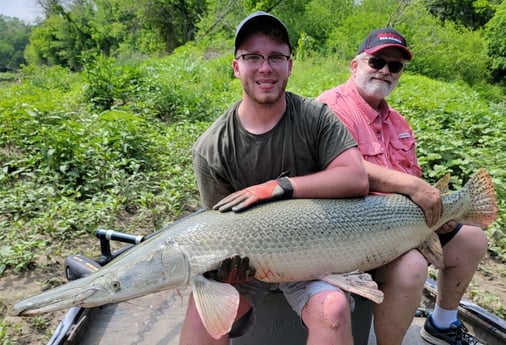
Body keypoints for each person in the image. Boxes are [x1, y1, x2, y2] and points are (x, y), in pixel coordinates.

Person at [179, 11, 369, 345]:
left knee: (333, 309)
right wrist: (223, 269)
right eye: (253, 57)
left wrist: (281, 187)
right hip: (250, 267)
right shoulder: (212, 147)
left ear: (290, 65)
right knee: (201, 319)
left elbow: (355, 178)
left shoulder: (315, 117)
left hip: (313, 253)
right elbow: (216, 229)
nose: (265, 68)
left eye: (276, 57)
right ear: (236, 66)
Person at [317, 28, 487, 345]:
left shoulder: (399, 123)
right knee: (411, 266)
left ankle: (442, 324)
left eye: (394, 67)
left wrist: (436, 209)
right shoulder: (329, 108)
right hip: (354, 231)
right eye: (377, 62)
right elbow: (340, 167)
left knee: (472, 240)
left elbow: (416, 181)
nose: (385, 71)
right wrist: (413, 187)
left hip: (404, 223)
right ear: (355, 65)